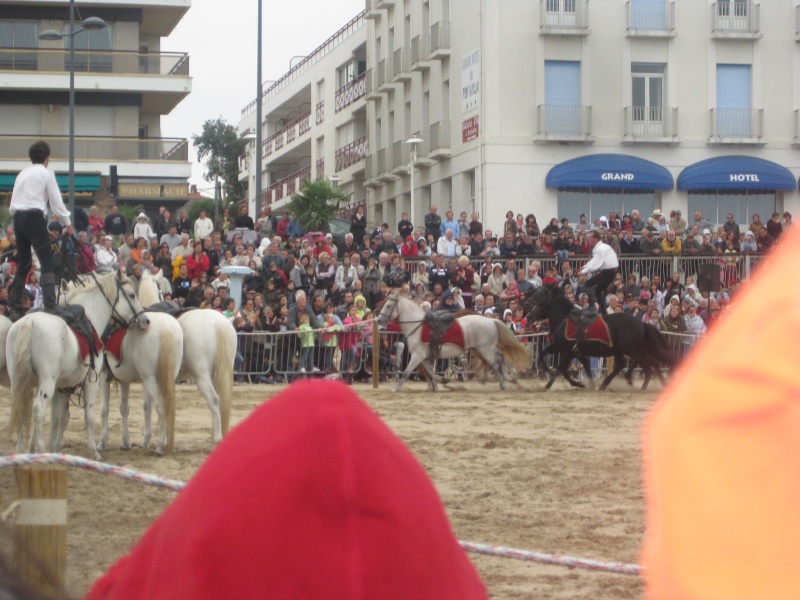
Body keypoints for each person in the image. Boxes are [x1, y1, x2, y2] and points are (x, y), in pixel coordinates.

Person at [8, 141, 71, 319]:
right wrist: (68, 223)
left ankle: (14, 307)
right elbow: (56, 203)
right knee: (47, 262)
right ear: (47, 158)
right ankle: (50, 305)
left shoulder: (22, 173)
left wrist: (42, 228)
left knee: (25, 263)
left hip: (19, 219)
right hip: (35, 218)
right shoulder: (46, 173)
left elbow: (24, 202)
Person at [578, 229, 619, 311]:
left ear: (596, 238)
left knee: (588, 284)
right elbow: (594, 260)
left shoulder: (601, 249)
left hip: (608, 272)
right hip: (610, 272)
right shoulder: (601, 247)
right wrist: (584, 266)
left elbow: (597, 264)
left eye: (590, 237)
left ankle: (591, 305)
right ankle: (604, 310)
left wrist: (583, 272)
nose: (589, 239)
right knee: (598, 290)